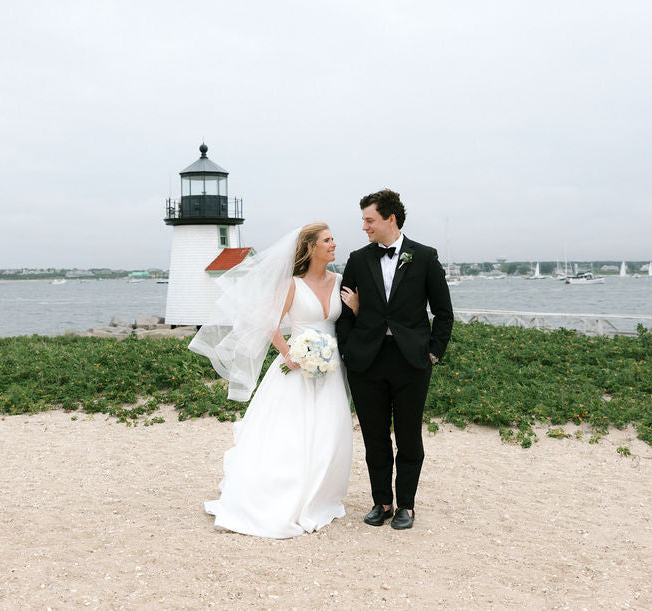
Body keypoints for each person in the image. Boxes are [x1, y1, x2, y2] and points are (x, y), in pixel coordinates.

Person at [190, 223, 353, 538]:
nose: (334, 244)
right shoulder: (292, 284)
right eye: (327, 240)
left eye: (333, 238)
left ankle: (319, 496)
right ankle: (284, 494)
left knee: (329, 430)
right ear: (310, 248)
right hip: (296, 368)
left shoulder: (341, 282)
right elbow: (269, 322)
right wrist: (290, 354)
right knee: (291, 432)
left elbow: (347, 321)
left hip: (331, 369)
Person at [335, 189, 454, 531]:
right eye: (363, 221)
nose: (364, 227)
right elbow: (344, 313)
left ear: (391, 219)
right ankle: (381, 502)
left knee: (408, 436)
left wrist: (433, 351)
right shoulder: (358, 260)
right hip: (367, 362)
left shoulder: (425, 257)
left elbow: (444, 313)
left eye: (369, 220)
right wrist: (348, 350)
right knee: (374, 437)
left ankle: (407, 506)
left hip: (411, 362)